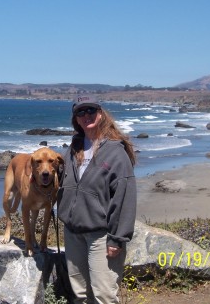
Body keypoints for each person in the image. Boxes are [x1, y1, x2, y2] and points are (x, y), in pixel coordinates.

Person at [57, 94, 137, 304]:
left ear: (100, 114)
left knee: (104, 295)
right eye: (80, 112)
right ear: (76, 118)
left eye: (91, 110)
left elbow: (125, 197)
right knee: (80, 294)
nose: (86, 116)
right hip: (73, 232)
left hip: (101, 236)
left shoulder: (115, 152)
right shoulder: (73, 149)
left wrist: (117, 239)